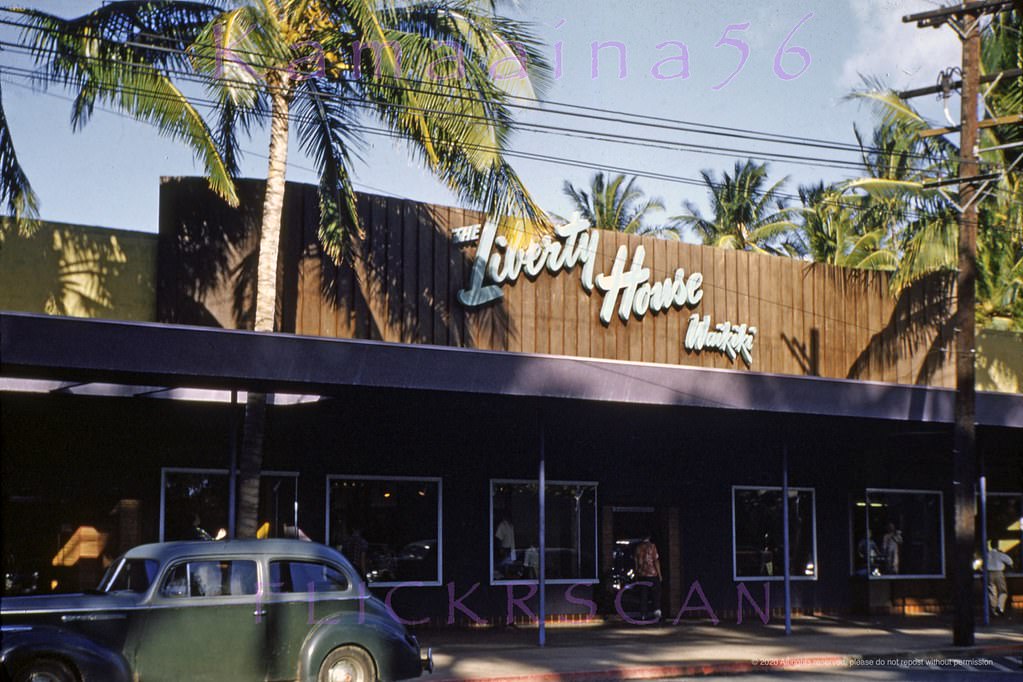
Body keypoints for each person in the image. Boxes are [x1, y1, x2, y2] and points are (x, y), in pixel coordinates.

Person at [633, 535, 662, 622]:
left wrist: (636, 573)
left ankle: (643, 614)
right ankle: (656, 612)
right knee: (655, 594)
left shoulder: (638, 548)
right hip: (652, 574)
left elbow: (636, 562)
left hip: (642, 574)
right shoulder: (652, 546)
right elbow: (655, 560)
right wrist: (659, 574)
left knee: (643, 594)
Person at [987, 540, 1014, 616]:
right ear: (997, 546)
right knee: (1003, 591)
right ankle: (1000, 607)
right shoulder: (1000, 554)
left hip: (989, 573)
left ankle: (994, 610)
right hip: (999, 573)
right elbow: (1010, 562)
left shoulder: (987, 554)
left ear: (990, 546)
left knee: (992, 592)